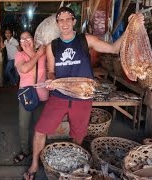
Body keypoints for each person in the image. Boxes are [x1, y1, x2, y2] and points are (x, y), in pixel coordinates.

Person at [23, 7, 144, 180]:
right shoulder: (52, 46)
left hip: (82, 98)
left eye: (68, 19)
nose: (64, 23)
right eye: (60, 20)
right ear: (57, 24)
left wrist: (131, 26)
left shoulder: (85, 40)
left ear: (73, 21)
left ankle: (74, 164)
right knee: (40, 130)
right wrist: (51, 80)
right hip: (59, 96)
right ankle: (34, 164)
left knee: (78, 135)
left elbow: (114, 48)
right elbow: (51, 71)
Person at [13, 31, 49, 164]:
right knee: (23, 125)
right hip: (26, 96)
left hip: (42, 95)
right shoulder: (19, 55)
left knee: (40, 127)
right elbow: (25, 69)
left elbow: (50, 69)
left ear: (34, 39)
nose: (25, 41)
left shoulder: (44, 53)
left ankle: (38, 152)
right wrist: (37, 55)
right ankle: (25, 150)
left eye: (28, 37)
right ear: (20, 43)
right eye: (22, 39)